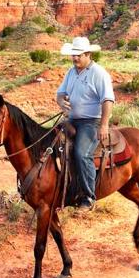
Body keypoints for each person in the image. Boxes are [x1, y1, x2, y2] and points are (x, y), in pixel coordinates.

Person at [55, 36, 115, 210]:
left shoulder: (99, 73)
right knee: (52, 143)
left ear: (88, 54)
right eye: (73, 55)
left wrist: (103, 125)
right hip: (71, 119)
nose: (74, 59)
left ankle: (88, 197)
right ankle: (63, 189)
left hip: (91, 122)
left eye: (78, 55)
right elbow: (60, 93)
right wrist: (61, 102)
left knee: (82, 153)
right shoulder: (71, 72)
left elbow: (108, 100)